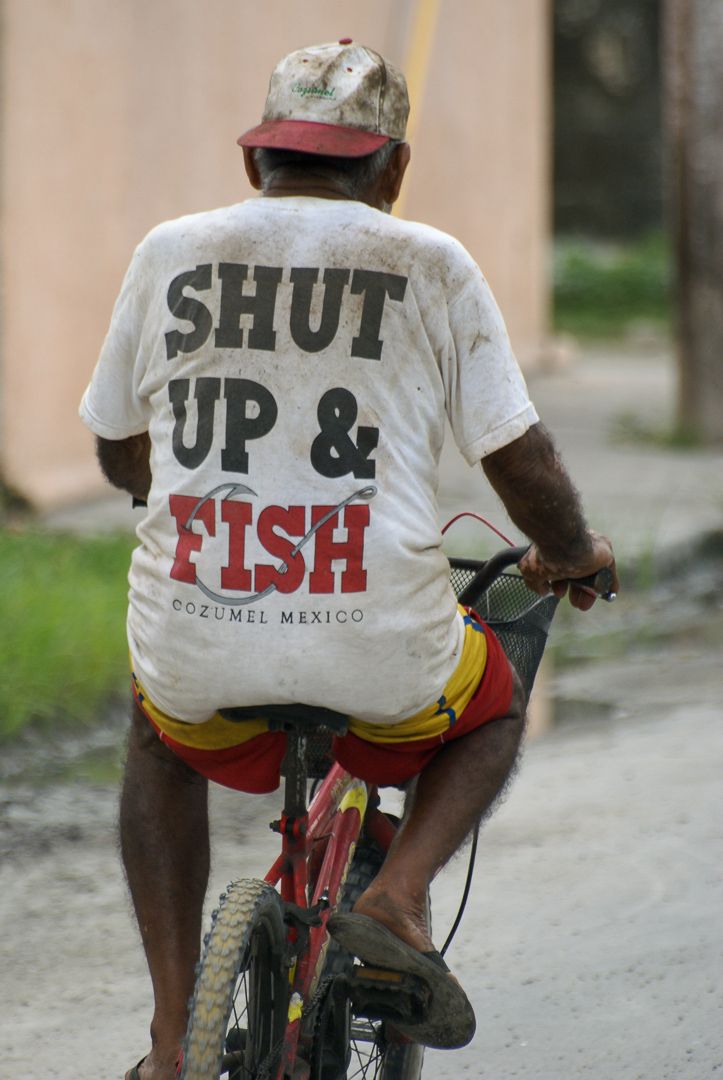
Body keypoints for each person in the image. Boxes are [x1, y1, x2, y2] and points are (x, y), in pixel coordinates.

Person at [80, 40, 618, 1080]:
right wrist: (572, 552)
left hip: (203, 657)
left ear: (257, 163)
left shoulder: (168, 251)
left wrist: (165, 486)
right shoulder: (429, 262)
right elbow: (523, 457)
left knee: (156, 733)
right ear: (392, 170)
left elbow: (115, 444)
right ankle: (398, 892)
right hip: (382, 658)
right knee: (496, 702)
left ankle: (166, 1042)